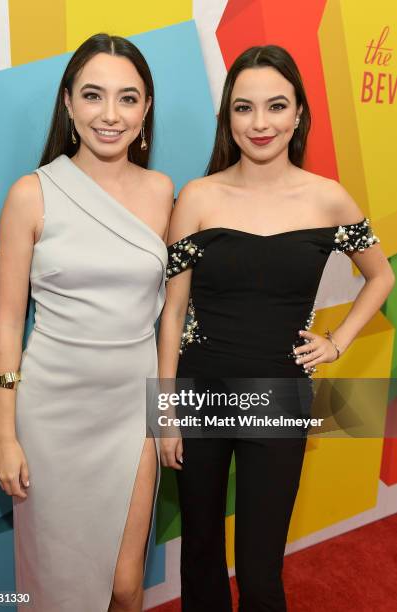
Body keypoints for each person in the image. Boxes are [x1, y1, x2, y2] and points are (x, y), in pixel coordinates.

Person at [157, 45, 394, 612]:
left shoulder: (327, 198)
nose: (260, 123)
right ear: (228, 116)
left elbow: (380, 277)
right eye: (244, 108)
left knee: (262, 570)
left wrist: (337, 342)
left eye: (276, 106)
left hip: (281, 397)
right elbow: (171, 312)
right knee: (202, 558)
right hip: (198, 393)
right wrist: (163, 413)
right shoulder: (196, 197)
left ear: (299, 114)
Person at [0, 33, 173, 612]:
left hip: (131, 412)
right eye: (93, 96)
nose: (110, 114)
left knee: (123, 586)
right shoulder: (31, 195)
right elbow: (8, 328)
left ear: (145, 110)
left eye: (128, 98)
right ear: (68, 103)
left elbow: (172, 312)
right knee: (57, 590)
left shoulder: (163, 192)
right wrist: (4, 433)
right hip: (52, 416)